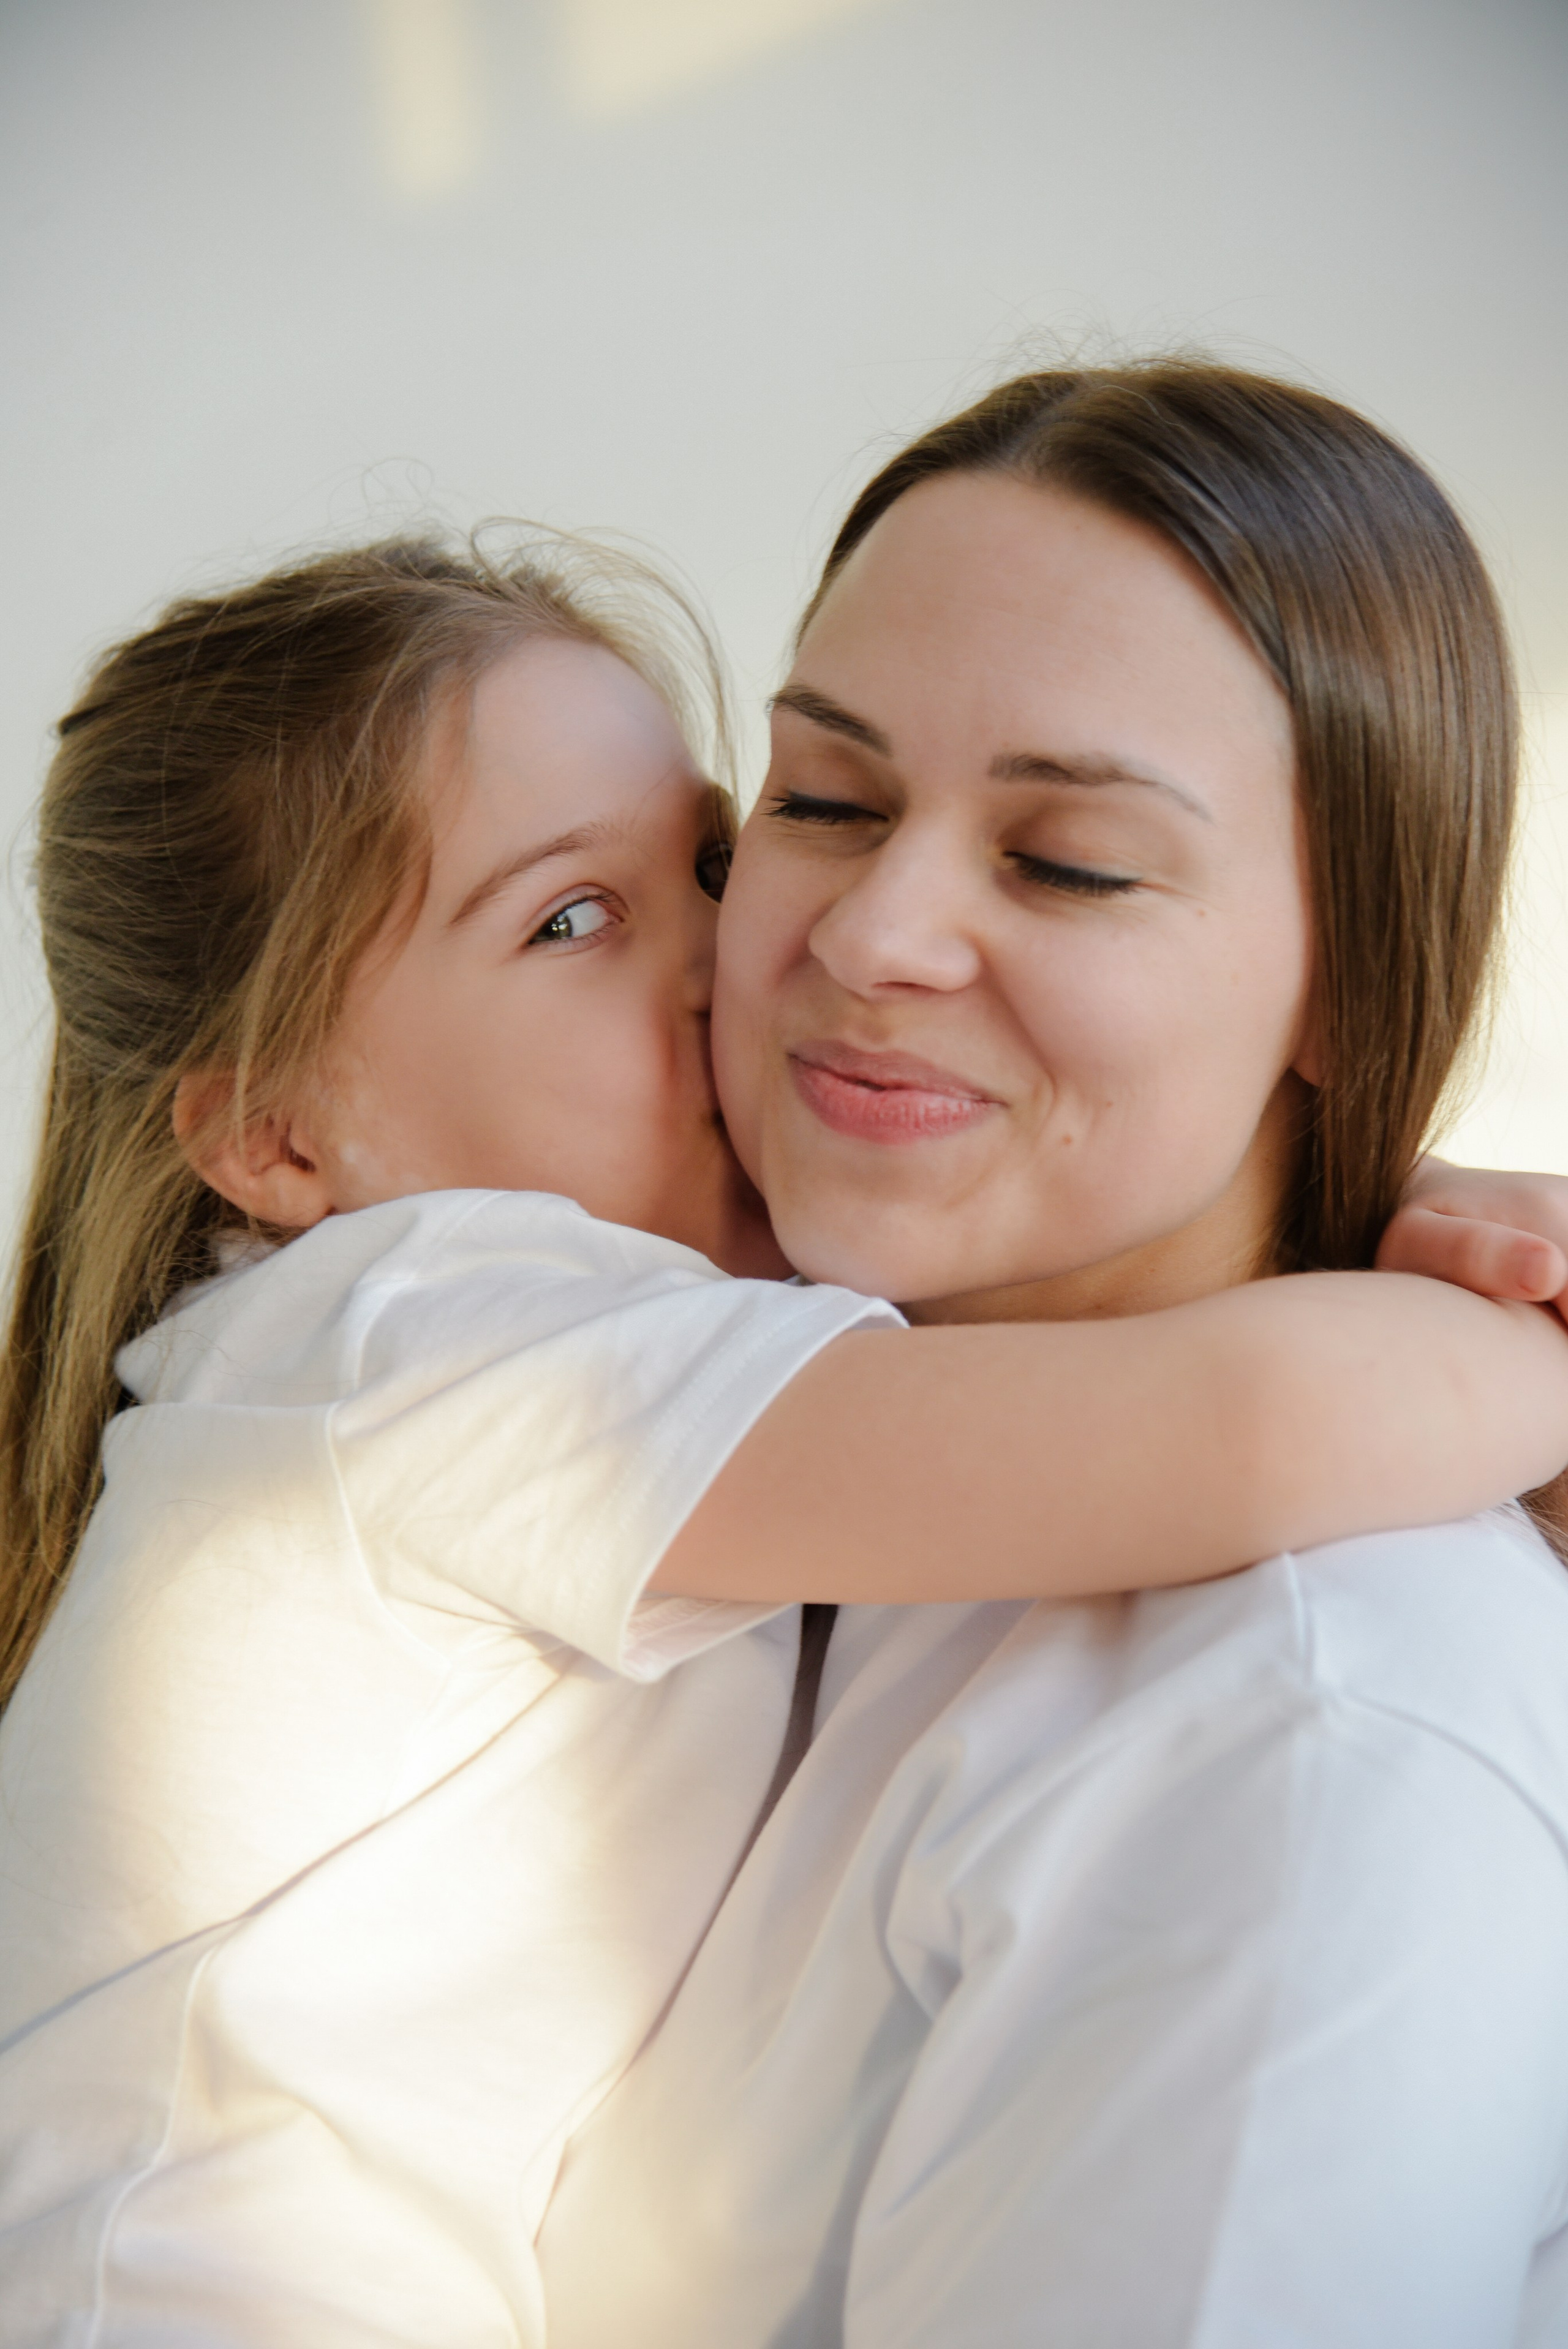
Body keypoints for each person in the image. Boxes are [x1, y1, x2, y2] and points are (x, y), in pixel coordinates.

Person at [0, 476, 1562, 2348]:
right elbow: (1239, 1423)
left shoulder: (1306, 1716)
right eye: (570, 918)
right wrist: (1509, 1333)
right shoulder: (422, 1333)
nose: (765, 957)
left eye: (719, 862)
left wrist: (1397, 1194)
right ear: (275, 1138)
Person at [534, 363, 1568, 2349]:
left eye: (1069, 860)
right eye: (824, 803)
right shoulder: (724, 1405)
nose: (876, 929)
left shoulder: (1312, 1731)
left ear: (1347, 984)